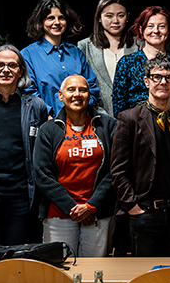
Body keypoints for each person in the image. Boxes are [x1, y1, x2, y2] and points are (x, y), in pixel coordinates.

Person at [110, 54, 170, 257]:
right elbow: (118, 170)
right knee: (145, 274)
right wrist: (132, 206)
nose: (163, 82)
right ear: (146, 81)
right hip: (144, 212)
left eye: (169, 77)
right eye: (157, 77)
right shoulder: (129, 118)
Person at [0, 45, 49, 244]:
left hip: (18, 195)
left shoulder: (35, 106)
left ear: (20, 71)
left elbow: (41, 152)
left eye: (12, 65)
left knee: (14, 256)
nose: (5, 70)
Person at [33, 74, 116, 257]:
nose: (77, 94)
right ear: (60, 95)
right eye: (71, 90)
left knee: (95, 269)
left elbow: (114, 169)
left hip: (98, 213)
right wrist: (72, 208)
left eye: (83, 90)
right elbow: (42, 174)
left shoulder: (108, 125)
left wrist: (91, 206)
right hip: (59, 214)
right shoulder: (48, 130)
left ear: (89, 95)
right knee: (60, 269)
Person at [21, 0, 101, 117]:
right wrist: (48, 117)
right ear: (40, 23)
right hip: (46, 121)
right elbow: (29, 93)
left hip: (80, 120)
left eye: (61, 18)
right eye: (50, 18)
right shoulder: (28, 54)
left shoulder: (76, 52)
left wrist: (83, 111)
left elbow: (91, 87)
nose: (57, 22)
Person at [111, 7, 170, 116]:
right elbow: (119, 105)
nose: (156, 31)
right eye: (150, 26)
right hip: (135, 121)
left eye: (162, 26)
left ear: (169, 30)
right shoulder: (127, 62)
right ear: (141, 30)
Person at [77, 0, 134, 116]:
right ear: (99, 18)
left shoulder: (139, 45)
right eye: (109, 16)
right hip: (98, 117)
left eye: (121, 15)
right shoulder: (85, 47)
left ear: (127, 17)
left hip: (134, 117)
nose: (115, 21)